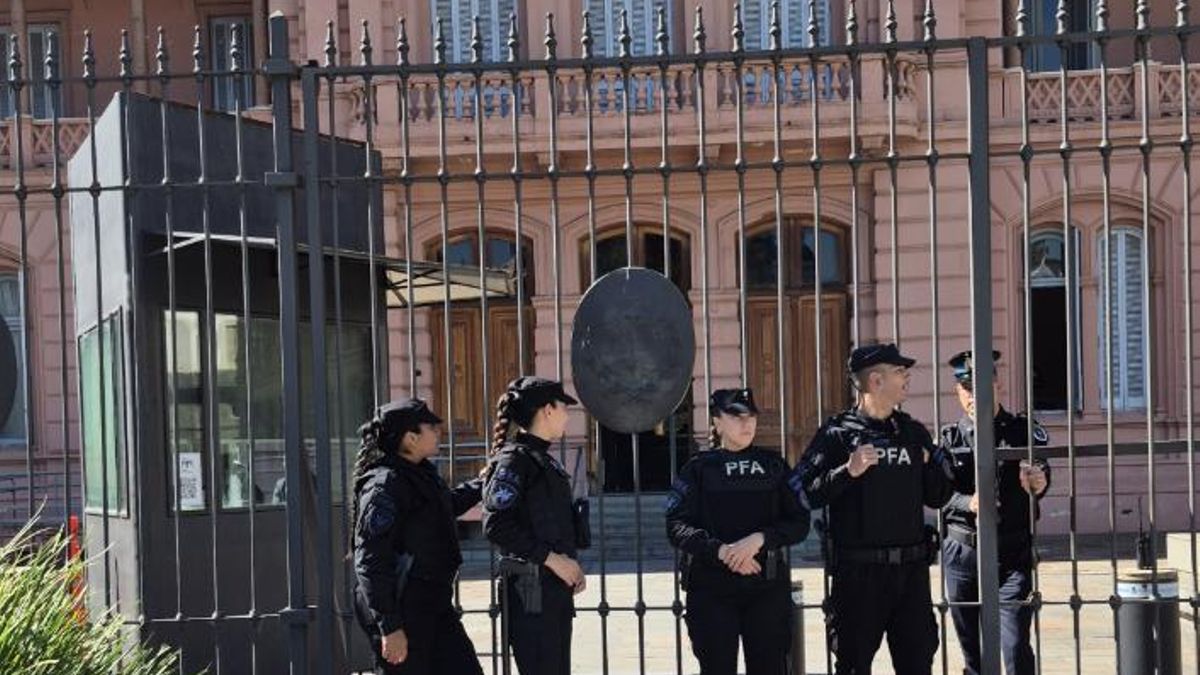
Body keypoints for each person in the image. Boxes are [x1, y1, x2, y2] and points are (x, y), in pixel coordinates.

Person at [793, 343, 955, 675]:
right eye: (899, 372)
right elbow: (801, 492)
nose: (907, 378)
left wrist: (928, 466)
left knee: (917, 662)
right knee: (853, 664)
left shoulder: (912, 432)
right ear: (875, 381)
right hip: (859, 576)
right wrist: (846, 472)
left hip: (910, 573)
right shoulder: (837, 433)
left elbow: (940, 496)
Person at [665, 387, 810, 675]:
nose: (747, 424)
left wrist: (760, 540)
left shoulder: (774, 466)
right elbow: (676, 525)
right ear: (717, 422)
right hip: (712, 587)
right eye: (736, 417)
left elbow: (799, 521)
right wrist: (722, 551)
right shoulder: (698, 469)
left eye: (751, 417)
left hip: (765, 588)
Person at [350, 398, 486, 675]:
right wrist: (390, 627)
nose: (438, 432)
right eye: (431, 428)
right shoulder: (383, 486)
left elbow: (445, 505)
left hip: (432, 602)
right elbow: (370, 561)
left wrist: (482, 484)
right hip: (402, 607)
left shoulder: (418, 473)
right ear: (411, 438)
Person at [940, 350, 1051, 675]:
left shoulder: (1021, 429)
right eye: (967, 389)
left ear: (997, 385)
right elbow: (938, 494)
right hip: (963, 554)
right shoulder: (949, 438)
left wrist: (1038, 481)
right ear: (958, 393)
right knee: (972, 653)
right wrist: (966, 502)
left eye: (981, 387)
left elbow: (1042, 470)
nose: (975, 396)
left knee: (1015, 645)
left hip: (1011, 551)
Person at [482, 376, 586, 675]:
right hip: (531, 591)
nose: (567, 414)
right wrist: (554, 561)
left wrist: (567, 565)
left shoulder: (542, 459)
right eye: (563, 407)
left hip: (550, 588)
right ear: (547, 410)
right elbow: (496, 524)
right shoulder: (515, 461)